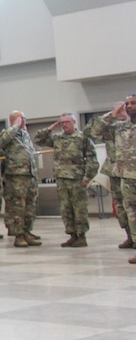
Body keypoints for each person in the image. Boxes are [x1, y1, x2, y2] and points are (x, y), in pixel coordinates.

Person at [34, 114, 99, 247]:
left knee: (79, 209)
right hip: (62, 180)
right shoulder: (57, 138)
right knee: (65, 209)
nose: (64, 125)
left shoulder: (83, 138)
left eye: (67, 122)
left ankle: (82, 236)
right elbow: (38, 139)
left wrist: (87, 177)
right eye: (62, 123)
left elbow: (92, 159)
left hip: (77, 180)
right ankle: (72, 235)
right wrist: (52, 127)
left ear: (74, 122)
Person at [87, 96, 136, 262]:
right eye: (126, 104)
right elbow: (92, 131)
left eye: (132, 103)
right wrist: (112, 114)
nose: (128, 107)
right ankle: (132, 238)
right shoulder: (119, 128)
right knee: (128, 210)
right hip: (123, 174)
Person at [0, 110, 41, 248]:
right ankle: (18, 235)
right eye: (22, 118)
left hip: (30, 175)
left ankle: (27, 232)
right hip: (17, 176)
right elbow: (3, 141)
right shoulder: (8, 133)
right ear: (14, 120)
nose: (24, 120)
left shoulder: (24, 135)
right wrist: (15, 126)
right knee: (18, 207)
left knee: (30, 206)